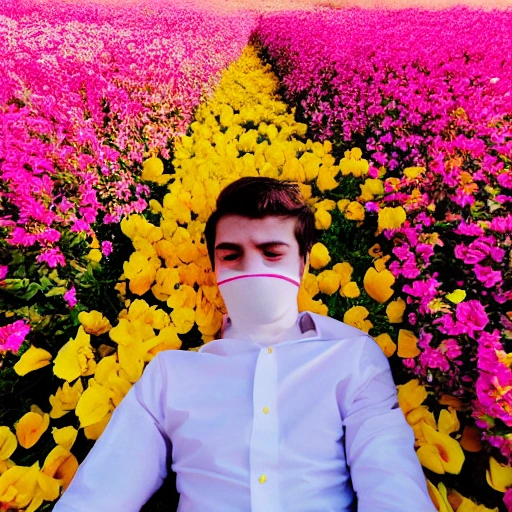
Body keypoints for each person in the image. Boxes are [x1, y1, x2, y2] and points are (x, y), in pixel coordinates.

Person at [53, 176, 437, 511]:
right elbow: (99, 493)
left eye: (272, 253)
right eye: (232, 255)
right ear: (215, 268)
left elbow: (392, 482)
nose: (253, 269)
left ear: (303, 263)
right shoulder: (171, 375)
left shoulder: (352, 358)